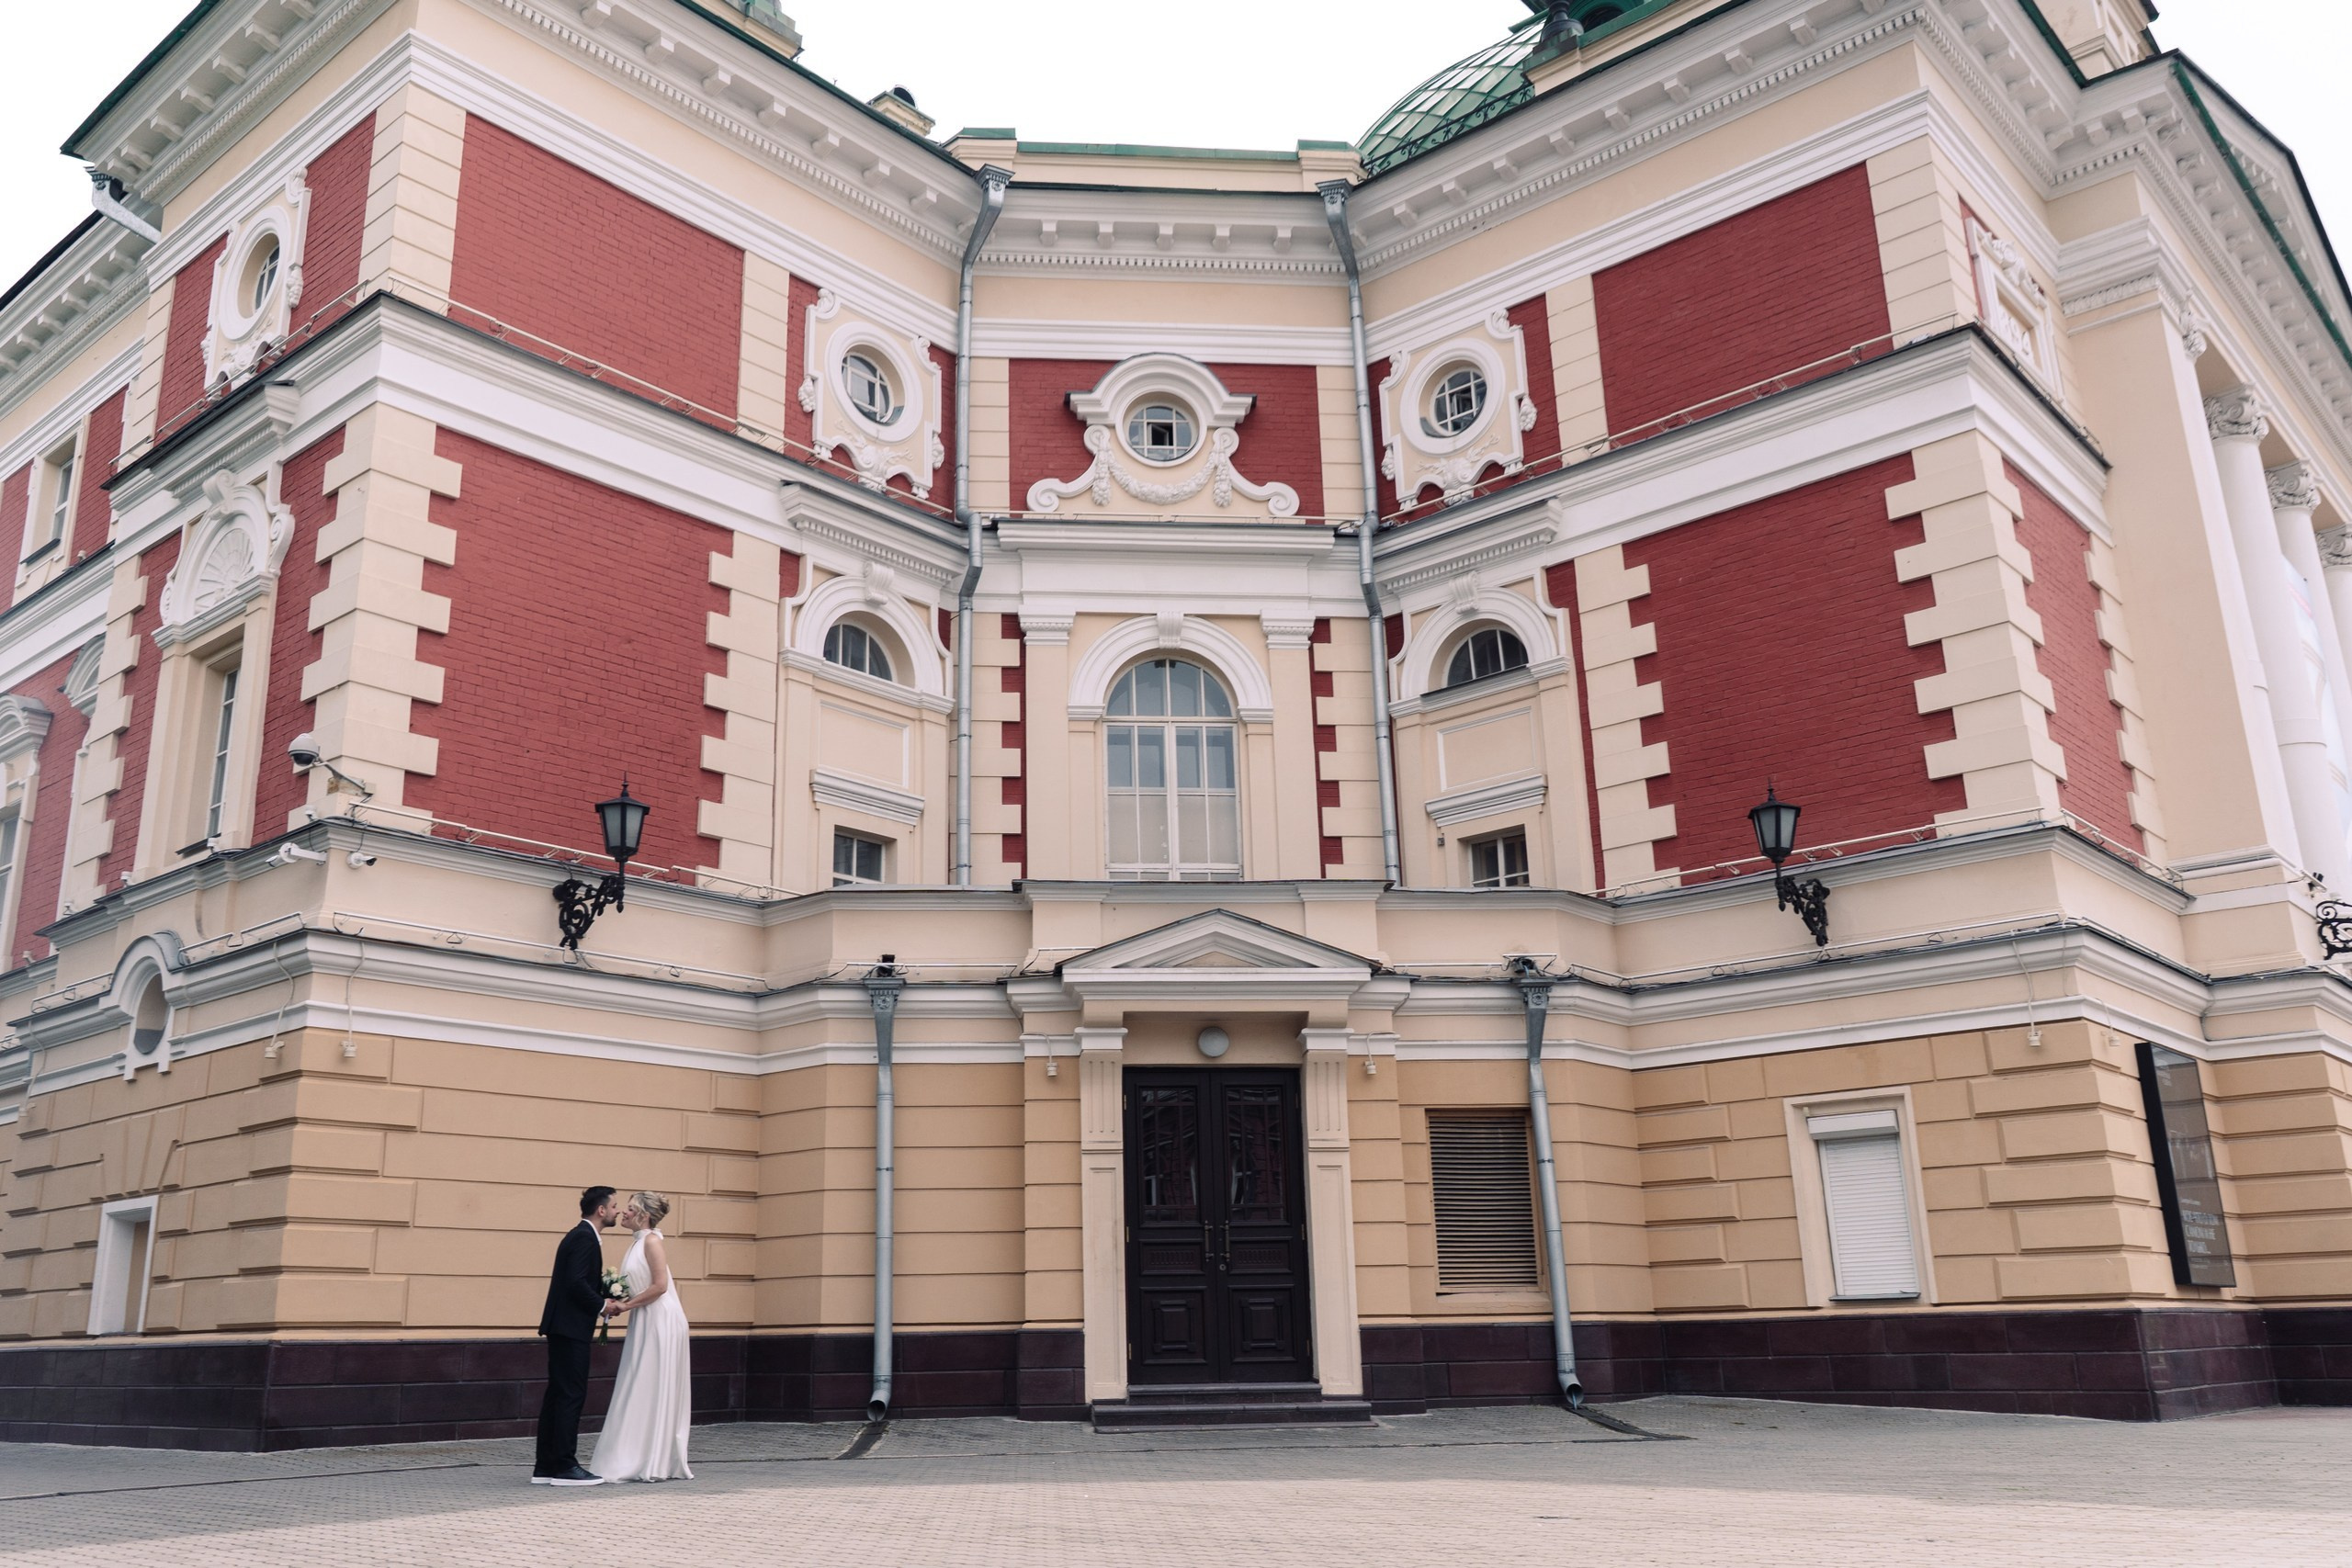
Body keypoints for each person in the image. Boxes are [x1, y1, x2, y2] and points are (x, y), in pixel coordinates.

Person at [590, 1191, 694, 1482]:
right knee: (637, 1381)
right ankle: (632, 1452)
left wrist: (625, 1304)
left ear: (644, 1216)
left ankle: (650, 1457)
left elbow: (660, 1286)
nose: (623, 1212)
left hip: (661, 1320)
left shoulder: (651, 1242)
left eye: (631, 1209)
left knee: (647, 1382)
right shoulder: (636, 1244)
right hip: (645, 1319)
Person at [533, 1185, 617, 1486]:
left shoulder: (578, 1235)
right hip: (570, 1328)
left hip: (563, 1327)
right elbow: (575, 1283)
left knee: (557, 1395)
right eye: (615, 1206)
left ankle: (545, 1466)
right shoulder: (584, 1238)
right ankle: (566, 1466)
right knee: (570, 1395)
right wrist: (603, 1304)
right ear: (601, 1210)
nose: (618, 1211)